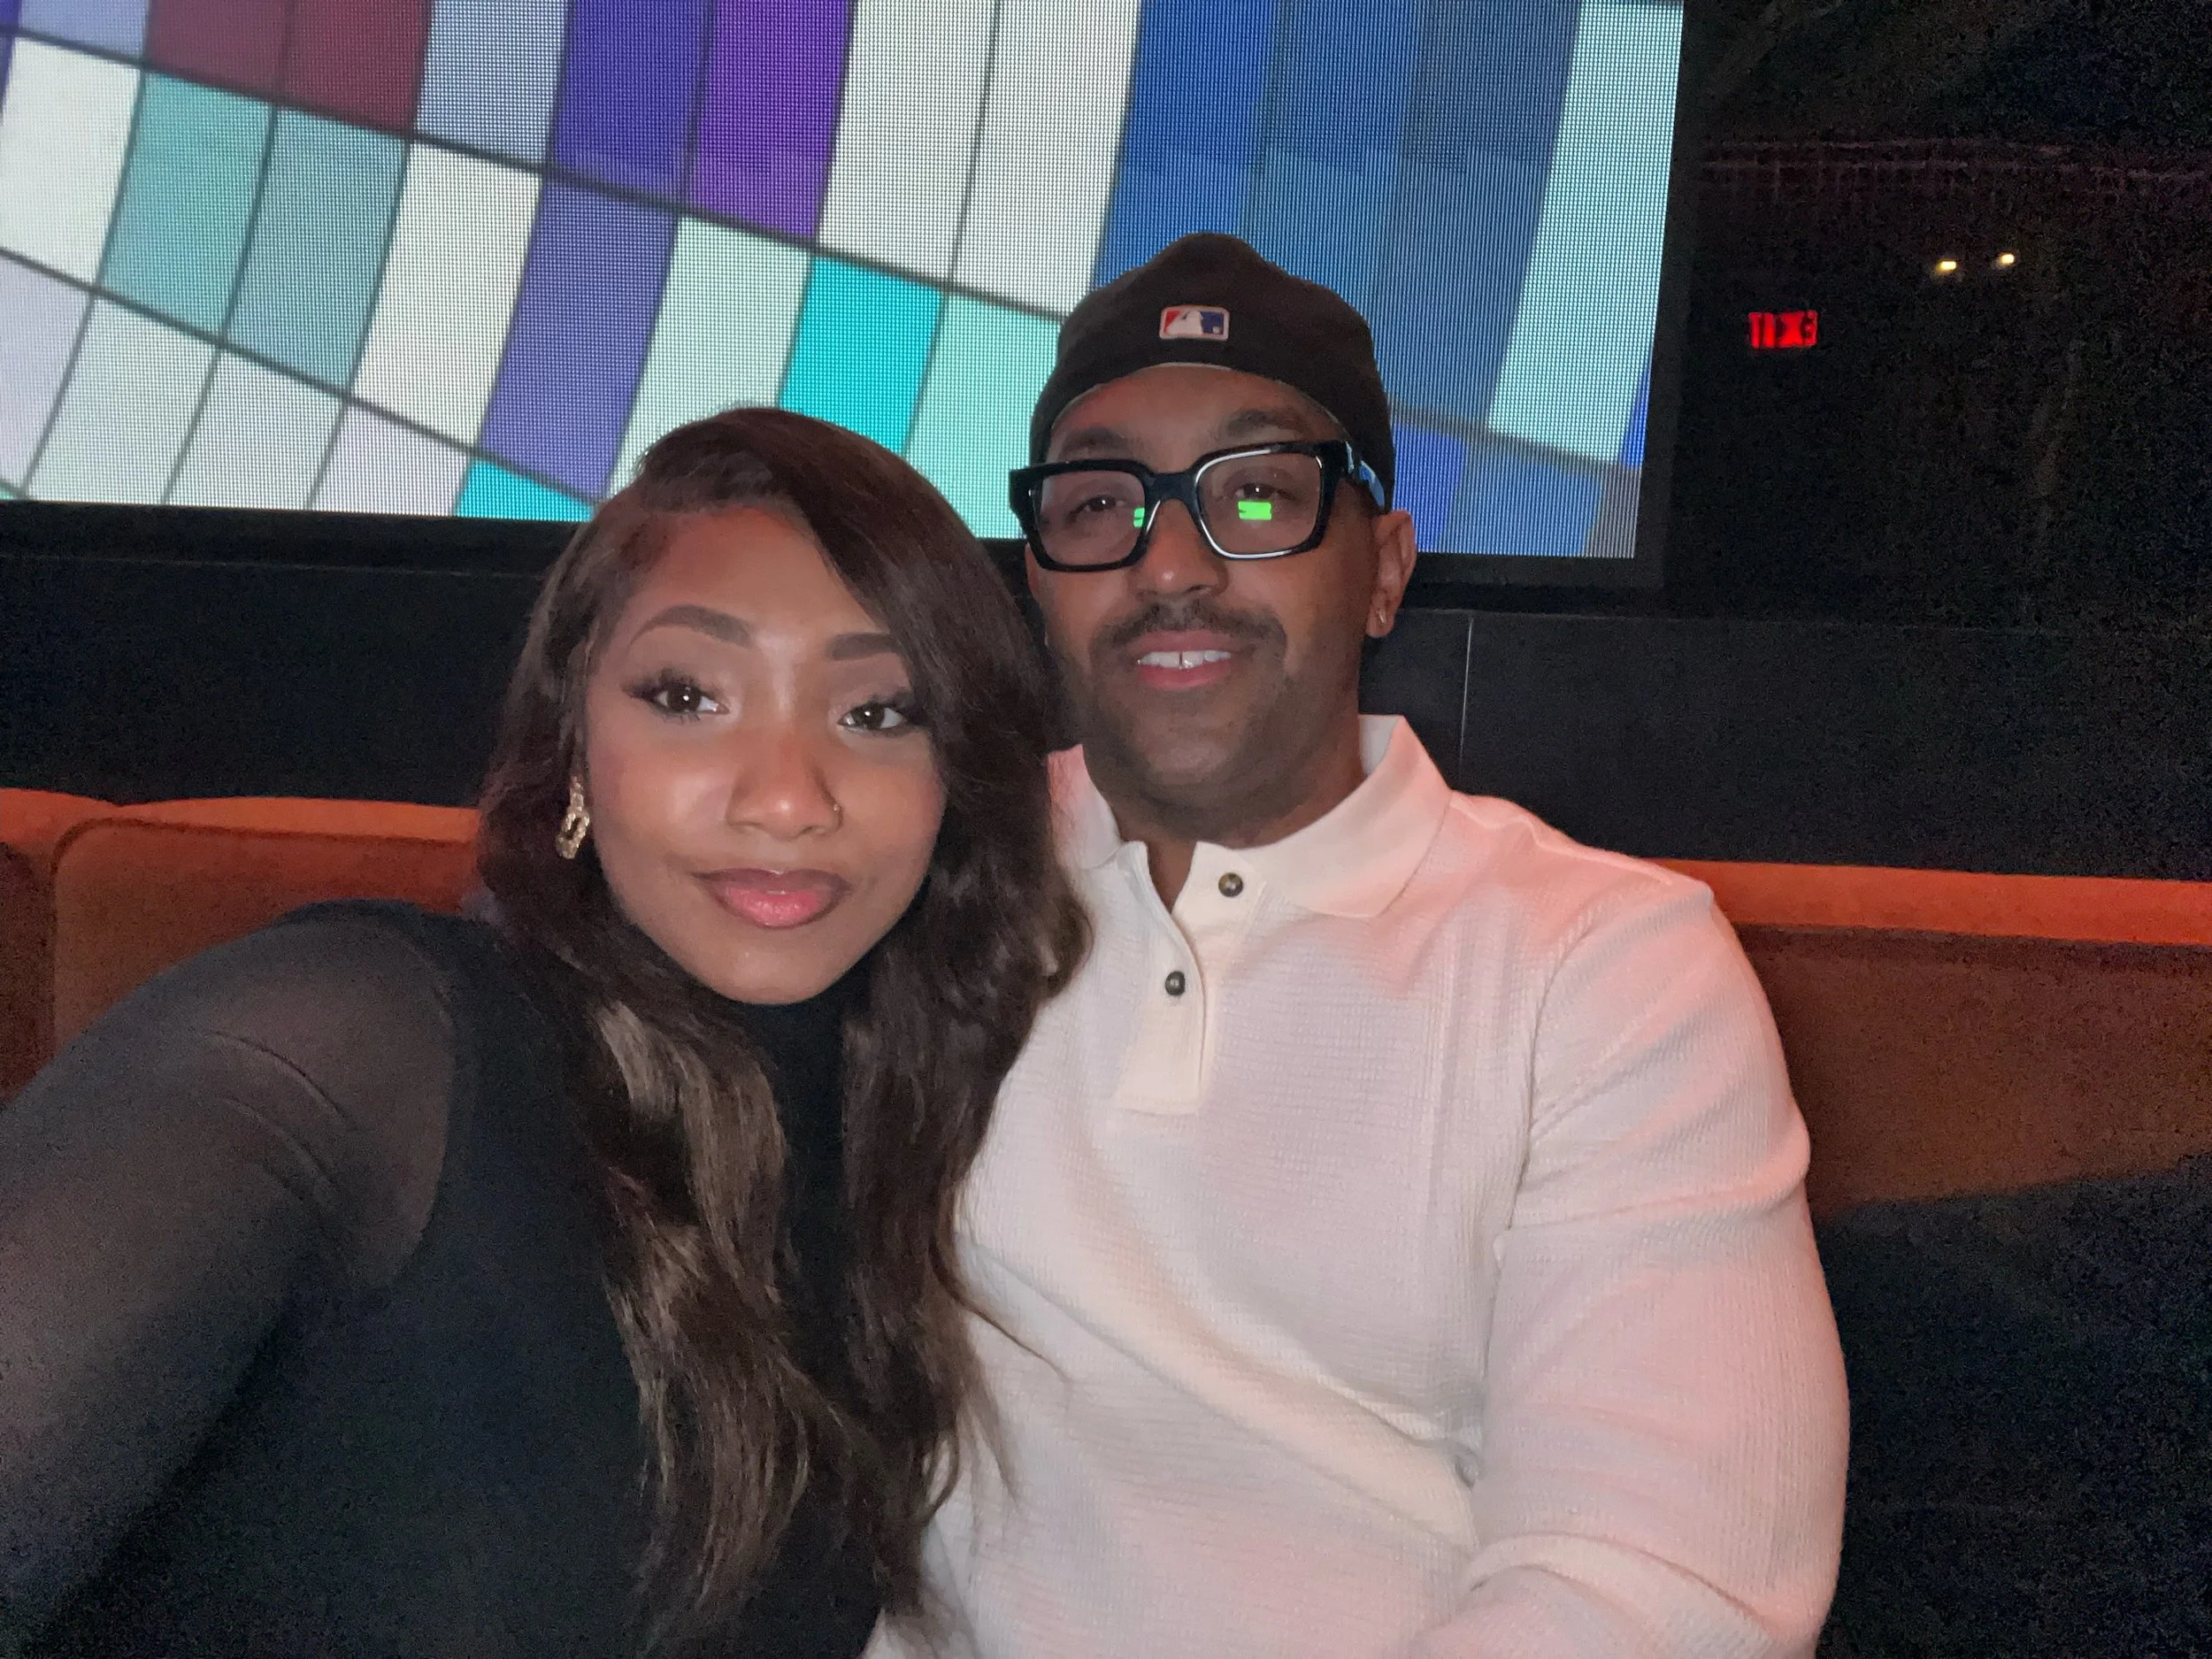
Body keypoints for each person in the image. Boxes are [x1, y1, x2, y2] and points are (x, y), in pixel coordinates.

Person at [870, 233, 1850, 1658]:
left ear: (1384, 569)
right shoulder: (918, 876)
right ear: (1039, 572)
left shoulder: (1602, 967)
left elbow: (1660, 1586)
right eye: (1101, 502)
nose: (1172, 564)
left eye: (1260, 493)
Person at [0, 408, 1087, 1656]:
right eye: (688, 694)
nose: (787, 796)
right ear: (577, 733)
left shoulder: (907, 1163)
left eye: (877, 711)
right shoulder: (358, 1047)